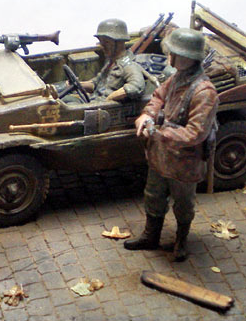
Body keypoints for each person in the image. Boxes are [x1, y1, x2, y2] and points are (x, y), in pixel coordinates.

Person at [124, 28, 219, 261]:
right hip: (161, 155)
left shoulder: (204, 93)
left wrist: (160, 132)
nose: (170, 58)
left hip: (185, 161)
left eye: (175, 53)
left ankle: (181, 241)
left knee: (183, 204)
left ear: (189, 57)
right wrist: (147, 115)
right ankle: (151, 235)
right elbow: (157, 96)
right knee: (153, 195)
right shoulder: (176, 78)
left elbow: (195, 133)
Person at [63, 19, 146, 103]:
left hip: (104, 109)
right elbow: (95, 84)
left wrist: (111, 98)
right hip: (94, 101)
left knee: (66, 107)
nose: (102, 46)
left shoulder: (129, 66)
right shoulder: (110, 63)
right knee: (63, 99)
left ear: (120, 42)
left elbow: (137, 86)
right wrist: (77, 84)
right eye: (101, 42)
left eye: (106, 42)